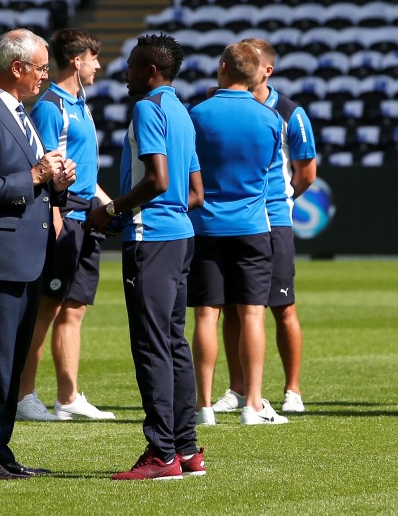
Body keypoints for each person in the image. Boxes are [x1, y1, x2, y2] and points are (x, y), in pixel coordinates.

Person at [0, 28, 76, 479]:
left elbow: (33, 183)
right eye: (42, 68)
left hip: (27, 253)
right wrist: (37, 174)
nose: (46, 76)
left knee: (14, 357)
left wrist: (55, 182)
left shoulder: (20, 114)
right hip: (0, 255)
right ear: (17, 68)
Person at [85, 33, 206, 480]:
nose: (125, 72)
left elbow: (155, 180)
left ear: (151, 71)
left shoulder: (147, 109)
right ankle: (187, 449)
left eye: (133, 65)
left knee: (152, 346)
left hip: (150, 239)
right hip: (180, 236)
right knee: (175, 344)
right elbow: (195, 192)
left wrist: (112, 211)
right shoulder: (183, 113)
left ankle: (161, 454)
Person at [211, 38, 316, 416]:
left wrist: (281, 201)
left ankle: (293, 390)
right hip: (238, 222)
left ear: (266, 70)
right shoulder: (221, 104)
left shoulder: (289, 113)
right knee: (232, 307)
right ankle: (238, 390)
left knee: (282, 306)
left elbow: (306, 173)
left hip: (273, 221)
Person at [15, 28, 115, 422]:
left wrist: (106, 202)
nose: (98, 66)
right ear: (77, 60)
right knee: (46, 309)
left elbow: (81, 167)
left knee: (74, 309)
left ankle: (68, 397)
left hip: (87, 217)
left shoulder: (80, 103)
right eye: (94, 58)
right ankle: (23, 395)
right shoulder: (51, 106)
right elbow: (41, 168)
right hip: (65, 217)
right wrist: (55, 218)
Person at [189, 42, 288, 426]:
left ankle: (203, 407)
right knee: (252, 315)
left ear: (223, 67)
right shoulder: (270, 118)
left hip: (206, 226)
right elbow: (269, 167)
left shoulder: (197, 114)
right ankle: (253, 405)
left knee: (204, 316)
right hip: (251, 226)